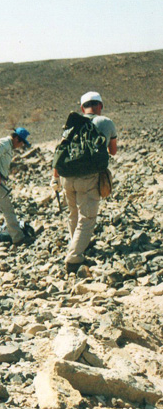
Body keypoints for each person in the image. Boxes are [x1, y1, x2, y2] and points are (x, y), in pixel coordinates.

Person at [51, 91, 117, 274]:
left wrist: (55, 178)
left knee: (74, 214)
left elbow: (59, 151)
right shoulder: (105, 122)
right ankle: (74, 257)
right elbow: (113, 151)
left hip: (67, 178)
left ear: (82, 108)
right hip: (89, 178)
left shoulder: (72, 124)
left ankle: (78, 245)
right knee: (87, 218)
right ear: (100, 106)